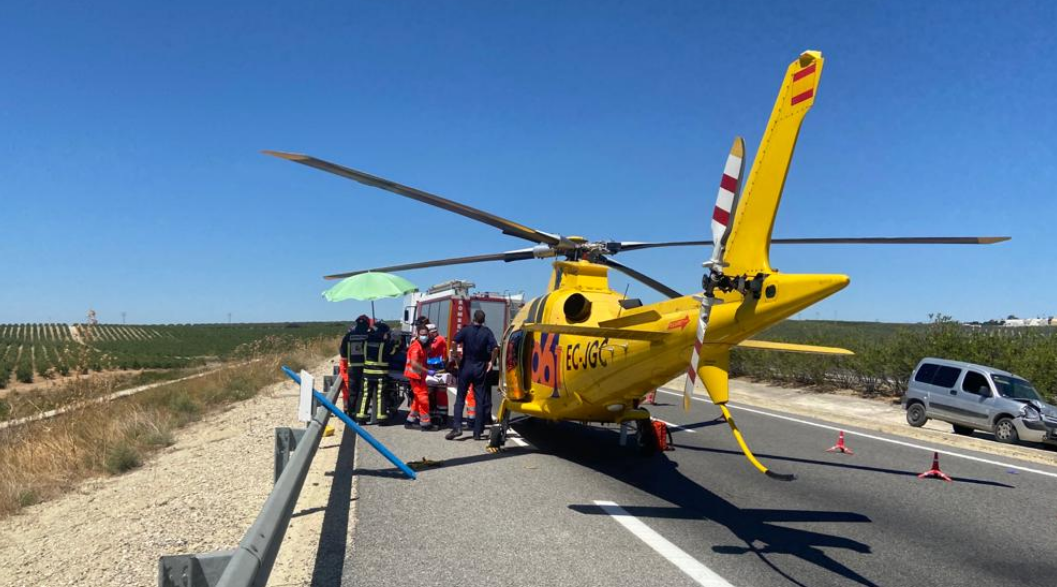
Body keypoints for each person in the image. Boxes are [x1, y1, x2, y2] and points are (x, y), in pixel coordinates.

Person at [447, 309, 499, 440]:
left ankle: (457, 427)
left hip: (465, 366)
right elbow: (495, 348)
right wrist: (491, 362)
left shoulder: (466, 330)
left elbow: (454, 341)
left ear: (473, 318)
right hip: (480, 368)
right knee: (480, 400)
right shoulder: (487, 332)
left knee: (460, 399)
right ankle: (477, 432)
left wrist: (455, 357)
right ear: (483, 320)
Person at [357, 320, 394, 424]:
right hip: (381, 374)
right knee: (380, 395)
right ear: (382, 333)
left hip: (367, 373)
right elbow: (393, 351)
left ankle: (361, 417)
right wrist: (393, 341)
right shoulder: (386, 344)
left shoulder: (365, 342)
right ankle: (381, 418)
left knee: (365, 394)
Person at [338, 315, 371, 416]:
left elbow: (342, 353)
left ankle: (351, 413)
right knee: (363, 392)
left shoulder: (348, 336)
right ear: (367, 324)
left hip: (352, 368)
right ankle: (360, 413)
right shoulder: (369, 336)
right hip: (366, 368)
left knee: (352, 392)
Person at [403, 324, 434, 431]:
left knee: (417, 399)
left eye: (426, 334)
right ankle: (425, 423)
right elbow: (415, 364)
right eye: (422, 335)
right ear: (417, 334)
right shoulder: (416, 347)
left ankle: (410, 420)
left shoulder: (421, 345)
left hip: (419, 375)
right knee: (423, 399)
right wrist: (428, 371)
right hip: (415, 376)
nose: (424, 336)